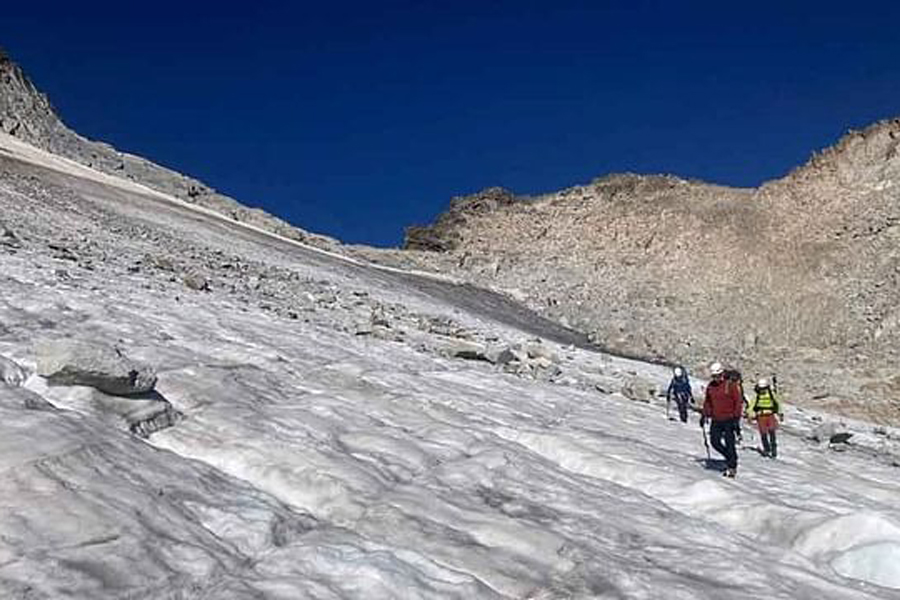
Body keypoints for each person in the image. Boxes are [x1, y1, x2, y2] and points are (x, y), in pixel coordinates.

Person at [702, 361, 744, 478]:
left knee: (729, 443)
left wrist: (736, 417)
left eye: (718, 375)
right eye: (714, 376)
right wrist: (704, 414)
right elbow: (708, 402)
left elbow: (737, 402)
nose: (716, 378)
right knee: (714, 442)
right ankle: (731, 457)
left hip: (729, 419)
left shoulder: (730, 385)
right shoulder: (711, 387)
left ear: (722, 374)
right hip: (716, 419)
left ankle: (732, 466)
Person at [747, 377, 783, 458]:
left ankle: (773, 450)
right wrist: (750, 414)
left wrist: (780, 413)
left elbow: (777, 403)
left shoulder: (771, 394)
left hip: (770, 415)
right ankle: (767, 449)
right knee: (763, 433)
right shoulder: (757, 395)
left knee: (771, 432)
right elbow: (752, 405)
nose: (762, 390)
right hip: (761, 416)